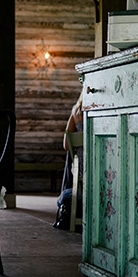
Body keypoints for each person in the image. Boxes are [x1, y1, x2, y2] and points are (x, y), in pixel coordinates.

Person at [54, 92, 84, 229]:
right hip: (101, 166)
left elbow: (66, 144)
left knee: (71, 158)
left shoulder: (76, 112)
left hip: (83, 169)